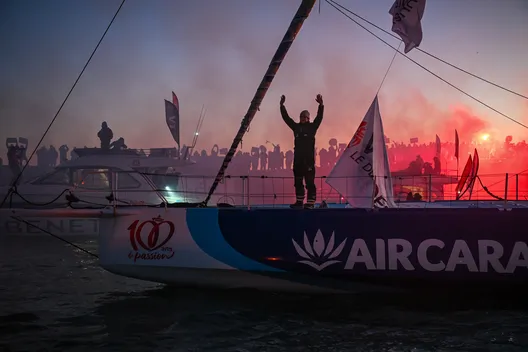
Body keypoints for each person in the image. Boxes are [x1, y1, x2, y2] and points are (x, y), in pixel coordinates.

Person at [280, 94, 324, 209]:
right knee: (298, 182)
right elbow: (287, 119)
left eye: (305, 117)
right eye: (301, 117)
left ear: (309, 118)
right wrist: (282, 106)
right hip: (298, 161)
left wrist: (321, 105)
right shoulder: (296, 127)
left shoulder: (312, 127)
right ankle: (299, 201)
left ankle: (310, 202)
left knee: (310, 183)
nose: (303, 119)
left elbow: (319, 118)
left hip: (308, 161)